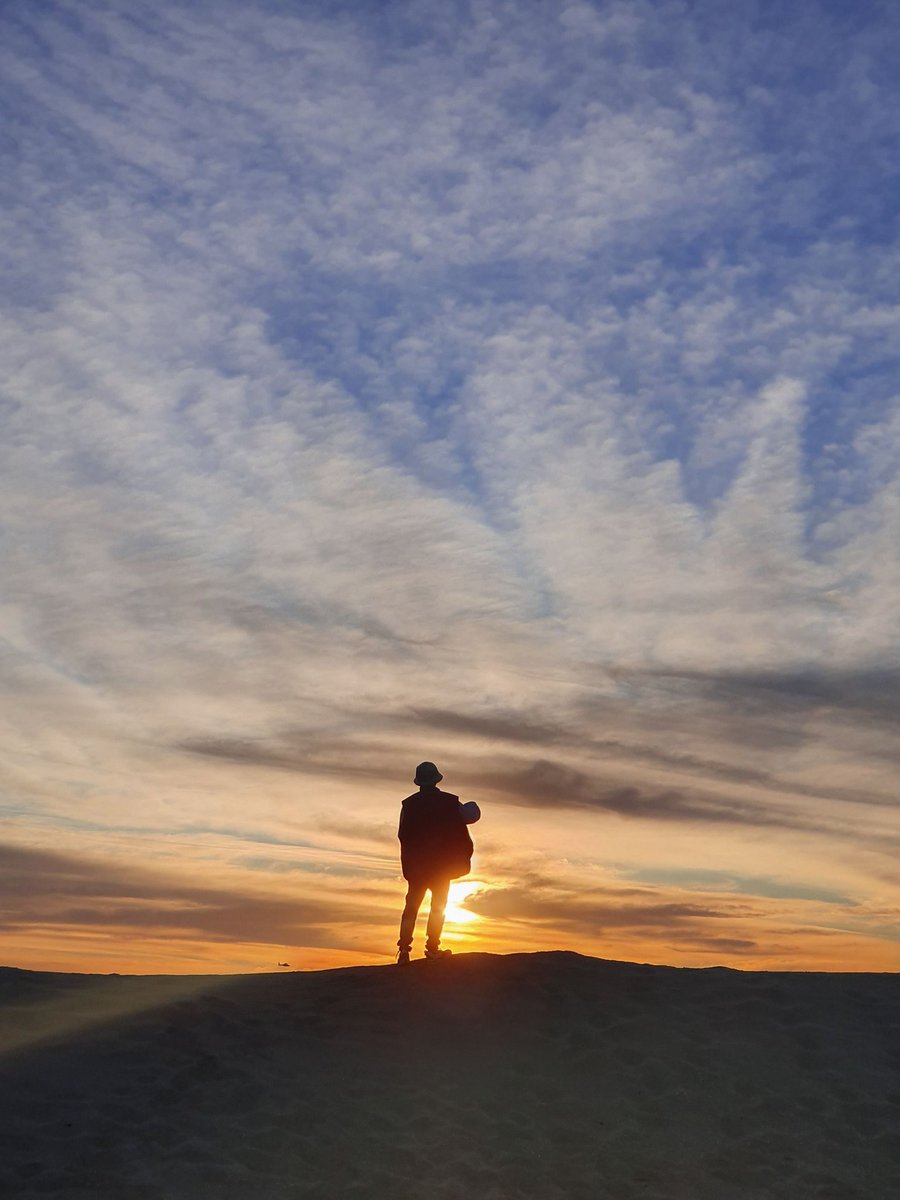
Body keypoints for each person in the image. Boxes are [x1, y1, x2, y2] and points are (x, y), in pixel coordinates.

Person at [396, 761, 480, 965]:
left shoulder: (408, 804)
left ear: (419, 782)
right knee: (438, 906)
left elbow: (402, 834)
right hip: (441, 866)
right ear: (436, 779)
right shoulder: (449, 802)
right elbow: (471, 816)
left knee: (412, 907)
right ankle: (432, 948)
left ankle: (404, 951)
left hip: (417, 866)